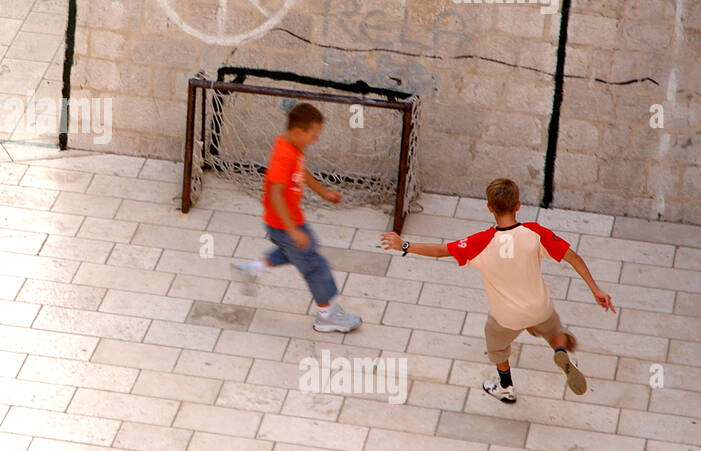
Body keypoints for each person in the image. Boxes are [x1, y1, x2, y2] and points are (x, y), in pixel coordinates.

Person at [379, 177, 615, 403]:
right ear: (518, 205)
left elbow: (441, 251)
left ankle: (505, 387)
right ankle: (560, 349)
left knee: (497, 347)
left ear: (489, 207)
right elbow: (573, 257)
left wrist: (405, 245)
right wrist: (596, 289)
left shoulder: (480, 243)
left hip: (506, 317)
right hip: (539, 307)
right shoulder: (535, 233)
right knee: (554, 329)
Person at [232, 102, 362, 333]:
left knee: (294, 253)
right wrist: (292, 230)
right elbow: (275, 194)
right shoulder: (283, 155)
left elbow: (300, 171)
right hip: (285, 224)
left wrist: (323, 192)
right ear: (298, 132)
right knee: (314, 265)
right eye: (314, 135)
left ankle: (252, 268)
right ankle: (326, 315)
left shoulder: (291, 146)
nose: (316, 140)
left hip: (290, 221)